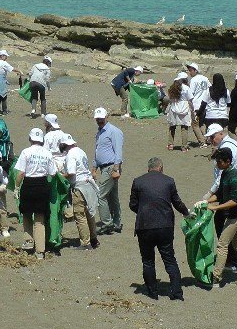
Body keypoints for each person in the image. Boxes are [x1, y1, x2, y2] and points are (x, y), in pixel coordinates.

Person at [129, 157, 189, 300]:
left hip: (145, 226)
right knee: (169, 259)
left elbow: (132, 204)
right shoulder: (169, 181)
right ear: (161, 168)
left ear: (148, 168)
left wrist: (144, 211)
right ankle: (176, 292)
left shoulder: (138, 181)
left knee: (148, 260)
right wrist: (187, 213)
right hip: (165, 225)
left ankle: (152, 292)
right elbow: (177, 202)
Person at [202, 147, 237, 288]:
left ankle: (216, 278)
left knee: (222, 245)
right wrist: (207, 201)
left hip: (236, 216)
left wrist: (215, 207)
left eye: (219, 162)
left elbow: (233, 201)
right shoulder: (225, 174)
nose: (217, 164)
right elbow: (221, 195)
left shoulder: (235, 177)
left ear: (227, 161)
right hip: (236, 215)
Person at [14, 128, 55, 259]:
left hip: (28, 185)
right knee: (39, 220)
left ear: (30, 139)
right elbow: (53, 173)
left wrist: (16, 187)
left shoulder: (26, 152)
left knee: (26, 214)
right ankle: (40, 251)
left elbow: (21, 173)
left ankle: (28, 242)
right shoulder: (47, 153)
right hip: (42, 185)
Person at [62, 135, 100, 250]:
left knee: (80, 215)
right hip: (88, 184)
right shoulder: (81, 151)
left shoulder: (70, 155)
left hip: (79, 186)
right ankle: (94, 239)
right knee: (90, 214)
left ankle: (85, 242)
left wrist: (61, 175)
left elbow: (71, 173)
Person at [93, 107, 124, 235]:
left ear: (106, 117)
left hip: (111, 167)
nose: (99, 120)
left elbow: (118, 151)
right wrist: (94, 167)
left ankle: (107, 223)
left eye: (101, 118)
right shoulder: (100, 132)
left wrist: (116, 168)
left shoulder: (114, 131)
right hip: (104, 167)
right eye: (97, 119)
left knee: (100, 195)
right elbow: (97, 150)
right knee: (112, 196)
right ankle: (116, 223)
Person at [165, 73, 193, 151]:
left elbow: (170, 98)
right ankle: (184, 147)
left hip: (174, 107)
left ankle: (170, 145)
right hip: (184, 108)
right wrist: (193, 109)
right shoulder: (186, 88)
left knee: (172, 126)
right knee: (184, 127)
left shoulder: (172, 87)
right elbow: (190, 99)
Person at [186, 63, 210, 144]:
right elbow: (210, 88)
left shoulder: (194, 80)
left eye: (191, 70)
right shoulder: (205, 78)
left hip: (197, 105)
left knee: (195, 124)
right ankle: (207, 138)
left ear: (195, 70)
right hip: (205, 104)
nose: (189, 72)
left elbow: (191, 93)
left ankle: (202, 141)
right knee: (202, 123)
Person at [0, 49, 21, 116]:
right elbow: (11, 68)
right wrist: (19, 71)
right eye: (6, 56)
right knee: (4, 95)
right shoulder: (3, 62)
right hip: (1, 80)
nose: (6, 57)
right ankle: (4, 110)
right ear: (2, 56)